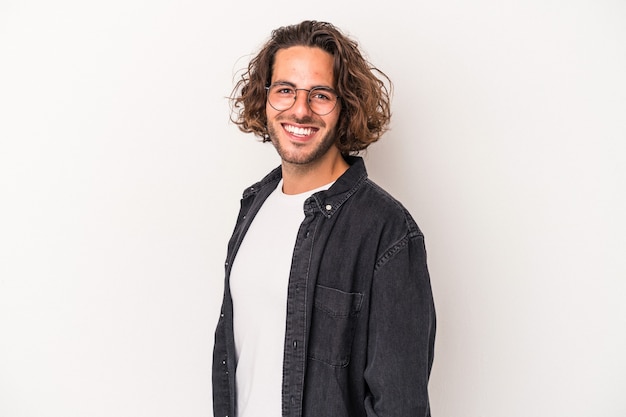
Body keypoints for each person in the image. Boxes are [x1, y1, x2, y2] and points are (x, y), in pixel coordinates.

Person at [212, 20, 436, 417]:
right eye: (285, 90)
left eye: (320, 94)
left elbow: (401, 404)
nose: (300, 109)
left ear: (345, 104)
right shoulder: (253, 206)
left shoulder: (387, 231)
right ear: (264, 99)